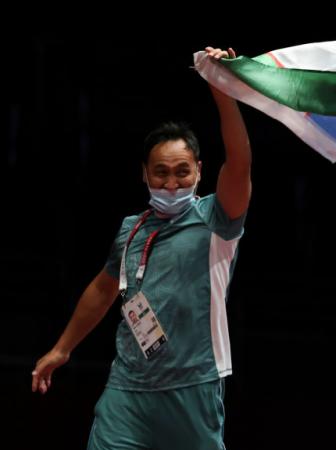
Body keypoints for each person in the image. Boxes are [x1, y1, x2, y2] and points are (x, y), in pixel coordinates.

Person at [31, 46, 250, 450]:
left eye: (182, 172)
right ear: (144, 175)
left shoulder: (217, 219)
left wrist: (223, 90)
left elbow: (239, 163)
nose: (171, 184)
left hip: (193, 387)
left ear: (200, 171)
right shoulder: (131, 231)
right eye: (160, 173)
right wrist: (62, 348)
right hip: (127, 389)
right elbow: (102, 289)